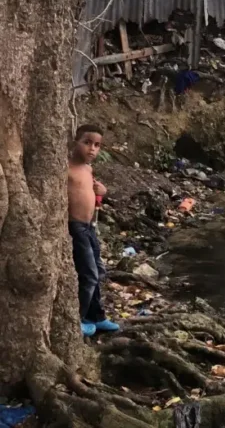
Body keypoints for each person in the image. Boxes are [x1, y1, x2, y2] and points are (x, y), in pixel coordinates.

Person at [68, 124, 119, 337]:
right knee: (88, 274)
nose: (92, 149)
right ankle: (76, 319)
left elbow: (89, 191)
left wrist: (101, 192)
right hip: (75, 227)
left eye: (97, 145)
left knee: (98, 270)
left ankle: (95, 316)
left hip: (89, 227)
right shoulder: (66, 167)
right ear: (74, 142)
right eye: (87, 142)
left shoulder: (88, 169)